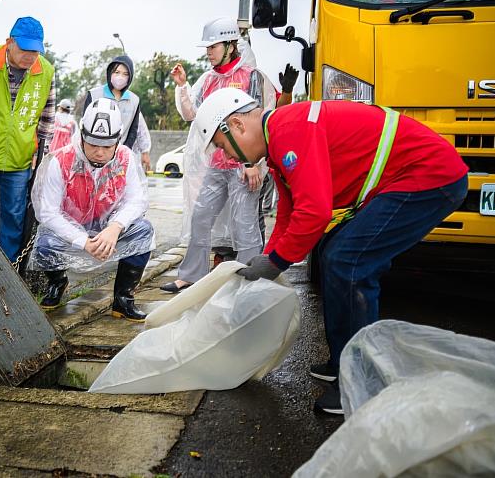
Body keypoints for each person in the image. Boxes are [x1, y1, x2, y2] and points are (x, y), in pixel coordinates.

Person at [194, 88, 468, 414]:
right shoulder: (279, 141)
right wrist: (268, 257)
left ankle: (357, 382)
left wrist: (276, 263)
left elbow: (315, 213)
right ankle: (344, 359)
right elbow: (290, 212)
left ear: (237, 125)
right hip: (405, 179)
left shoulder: (289, 131)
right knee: (332, 252)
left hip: (429, 176)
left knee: (347, 261)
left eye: (224, 146)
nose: (231, 157)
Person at [160, 17, 295, 293]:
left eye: (213, 46)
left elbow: (267, 118)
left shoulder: (252, 77)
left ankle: (249, 278)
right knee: (200, 218)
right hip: (216, 165)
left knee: (244, 224)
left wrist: (253, 163)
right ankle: (191, 274)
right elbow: (192, 116)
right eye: (207, 47)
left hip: (244, 166)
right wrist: (183, 86)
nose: (209, 52)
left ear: (231, 45)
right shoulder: (209, 80)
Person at [30, 98, 155, 321]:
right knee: (45, 244)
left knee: (143, 231)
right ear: (83, 137)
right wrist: (82, 241)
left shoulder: (125, 157)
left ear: (117, 141)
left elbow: (136, 200)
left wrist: (115, 228)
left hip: (108, 229)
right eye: (93, 144)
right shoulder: (61, 160)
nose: (99, 152)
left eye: (107, 146)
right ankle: (58, 282)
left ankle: (123, 299)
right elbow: (48, 212)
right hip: (73, 230)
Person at [0, 17, 56, 262]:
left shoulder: (46, 71)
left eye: (35, 50)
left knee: (14, 215)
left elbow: (47, 117)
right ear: (9, 42)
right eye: (25, 49)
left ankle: (8, 267)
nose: (30, 56)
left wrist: (40, 155)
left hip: (20, 158)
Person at [83, 55, 152, 172]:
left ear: (130, 77)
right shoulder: (94, 95)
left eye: (125, 74)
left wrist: (122, 152)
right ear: (110, 73)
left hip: (119, 158)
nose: (120, 77)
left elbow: (133, 130)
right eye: (117, 72)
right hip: (94, 155)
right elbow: (85, 125)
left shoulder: (134, 100)